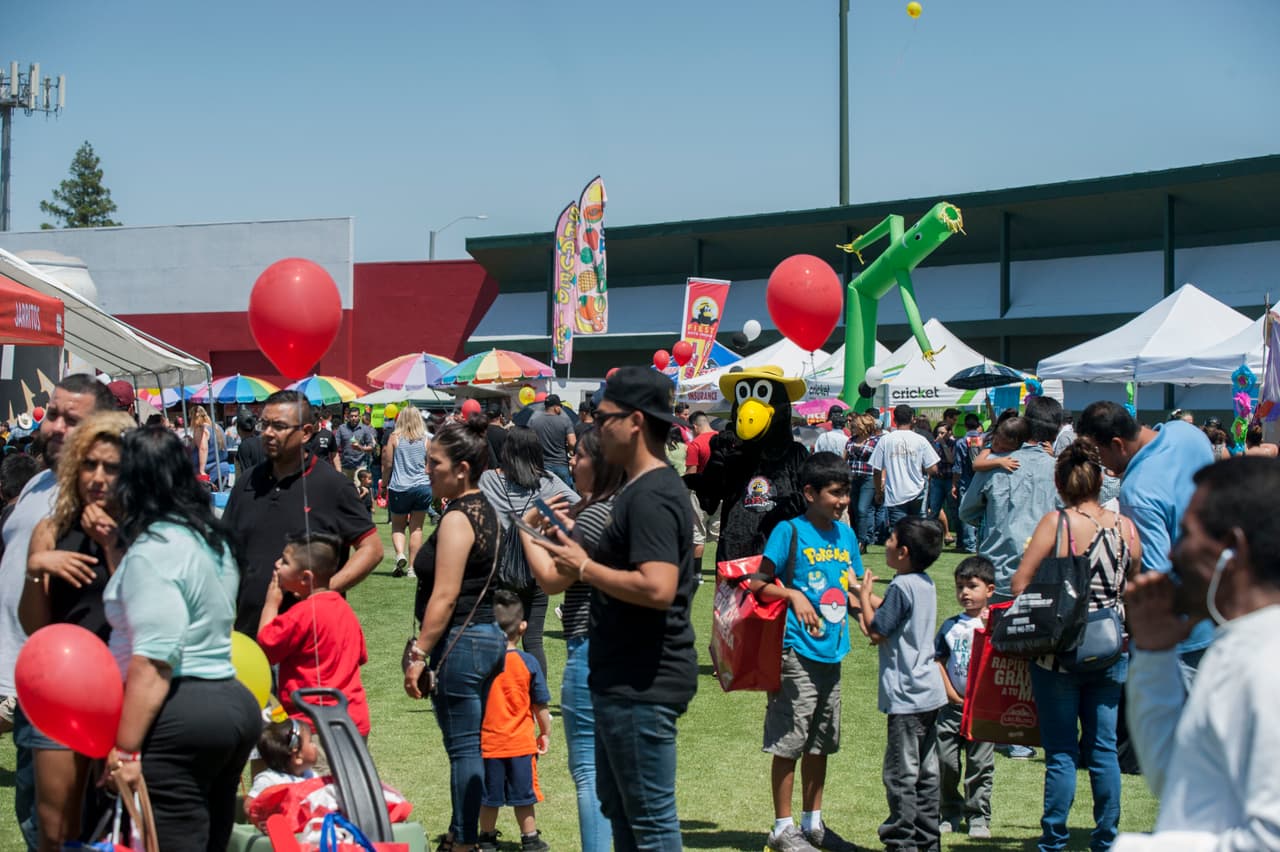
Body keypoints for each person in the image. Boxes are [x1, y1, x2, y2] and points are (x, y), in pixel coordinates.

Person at [527, 366, 697, 851]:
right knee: (622, 817)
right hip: (620, 676)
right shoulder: (637, 492)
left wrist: (584, 566)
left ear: (635, 422)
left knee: (650, 824)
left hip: (642, 681)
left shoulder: (652, 494)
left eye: (603, 418)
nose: (594, 429)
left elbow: (658, 587)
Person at [102, 426, 262, 851]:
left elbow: (156, 658)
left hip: (180, 711)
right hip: (229, 700)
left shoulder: (155, 550)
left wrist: (126, 750)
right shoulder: (209, 540)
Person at [1116, 457, 1280, 850]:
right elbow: (1178, 781)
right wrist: (1154, 655)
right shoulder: (1238, 645)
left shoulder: (1268, 662)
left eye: (1186, 535)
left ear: (1231, 550)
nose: (1173, 554)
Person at [0, 374, 115, 850]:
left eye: (72, 419)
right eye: (52, 414)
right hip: (23, 677)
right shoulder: (37, 483)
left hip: (74, 686)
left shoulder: (106, 496)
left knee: (68, 828)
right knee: (36, 819)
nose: (56, 427)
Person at [1010, 439, 1142, 852]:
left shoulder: (1057, 524)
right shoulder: (1125, 528)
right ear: (1101, 481)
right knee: (1103, 750)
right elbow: (1134, 586)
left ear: (1059, 482)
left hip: (1058, 652)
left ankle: (1055, 839)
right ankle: (1105, 837)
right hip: (1110, 648)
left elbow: (1019, 583)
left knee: (1062, 752)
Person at [17, 412, 133, 851]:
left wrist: (111, 546)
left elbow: (141, 613)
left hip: (125, 689)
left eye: (111, 467)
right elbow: (35, 627)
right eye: (89, 464)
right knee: (55, 830)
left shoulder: (142, 530)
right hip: (61, 691)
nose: (98, 477)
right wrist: (35, 569)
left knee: (120, 821)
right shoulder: (50, 529)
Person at [749, 452, 862, 852]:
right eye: (835, 493)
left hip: (833, 651)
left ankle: (813, 824)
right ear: (810, 493)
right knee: (790, 741)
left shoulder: (846, 536)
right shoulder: (789, 531)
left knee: (821, 742)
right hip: (795, 651)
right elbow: (757, 583)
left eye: (846, 492)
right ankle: (783, 828)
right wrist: (792, 595)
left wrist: (869, 611)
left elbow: (852, 587)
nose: (843, 501)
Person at [404, 415, 506, 852]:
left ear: (462, 470)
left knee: (464, 749)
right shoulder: (486, 510)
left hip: (462, 641)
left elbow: (445, 596)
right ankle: (459, 831)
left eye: (435, 463)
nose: (427, 470)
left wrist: (419, 654)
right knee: (472, 747)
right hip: (486, 636)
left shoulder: (459, 518)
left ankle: (464, 841)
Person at [519, 426, 623, 852]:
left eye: (579, 455)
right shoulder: (622, 508)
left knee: (589, 772)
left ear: (599, 464)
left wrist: (526, 529)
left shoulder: (594, 516)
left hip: (590, 649)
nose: (571, 462)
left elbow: (551, 580)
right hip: (623, 649)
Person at [1076, 400, 1214, 687]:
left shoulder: (1137, 491)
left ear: (1117, 444)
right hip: (1223, 607)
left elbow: (1156, 576)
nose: (1101, 465)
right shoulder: (1188, 434)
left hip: (1181, 635)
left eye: (1099, 454)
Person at [222, 390, 383, 635]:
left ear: (306, 432)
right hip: (251, 635)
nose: (268, 433)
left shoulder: (332, 485)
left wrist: (325, 591)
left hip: (311, 638)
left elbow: (372, 549)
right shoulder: (248, 481)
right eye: (264, 424)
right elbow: (224, 549)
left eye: (279, 426)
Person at [858, 517, 948, 852]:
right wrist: (864, 597)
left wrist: (863, 597)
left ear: (904, 552)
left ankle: (901, 843)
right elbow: (894, 616)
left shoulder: (901, 586)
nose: (887, 543)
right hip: (930, 693)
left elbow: (877, 631)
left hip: (907, 696)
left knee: (901, 775)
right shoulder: (924, 582)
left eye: (891, 539)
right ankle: (927, 842)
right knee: (927, 774)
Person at [479, 428, 579, 679]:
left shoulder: (489, 479)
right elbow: (579, 504)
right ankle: (538, 696)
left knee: (499, 638)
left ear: (506, 451)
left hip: (499, 570)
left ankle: (500, 694)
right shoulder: (548, 482)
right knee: (533, 640)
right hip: (537, 567)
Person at [257, 532, 370, 738]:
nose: (277, 564)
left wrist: (271, 603)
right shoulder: (345, 609)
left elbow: (266, 647)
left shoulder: (301, 614)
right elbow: (360, 656)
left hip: (315, 724)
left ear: (305, 578)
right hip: (352, 719)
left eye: (285, 561)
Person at [477, 590, 553, 852]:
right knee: (524, 796)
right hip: (520, 745)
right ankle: (530, 838)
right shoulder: (528, 662)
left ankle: (486, 838)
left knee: (488, 797)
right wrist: (545, 732)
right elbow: (540, 705)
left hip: (488, 744)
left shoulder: (482, 664)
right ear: (523, 626)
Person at [959, 414, 1058, 601]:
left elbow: (966, 511)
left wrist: (991, 521)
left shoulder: (992, 465)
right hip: (1042, 569)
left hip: (998, 566)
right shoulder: (1056, 467)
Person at [934, 556, 997, 839]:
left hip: (983, 709)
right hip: (951, 708)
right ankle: (950, 811)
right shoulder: (951, 626)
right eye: (960, 587)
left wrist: (992, 626)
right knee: (945, 762)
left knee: (980, 765)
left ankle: (978, 817)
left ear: (990, 590)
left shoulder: (996, 625)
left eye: (972, 586)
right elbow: (937, 661)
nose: (965, 593)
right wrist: (950, 693)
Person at [382, 406, 434, 576]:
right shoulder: (427, 439)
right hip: (422, 487)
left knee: (398, 526)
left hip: (399, 487)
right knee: (416, 528)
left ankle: (400, 554)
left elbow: (388, 464)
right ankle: (412, 568)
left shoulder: (394, 438)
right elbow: (430, 466)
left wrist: (383, 485)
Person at [870, 404, 940, 529]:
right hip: (917, 491)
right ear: (912, 419)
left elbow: (876, 470)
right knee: (916, 529)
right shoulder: (920, 440)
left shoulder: (885, 440)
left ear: (894, 419)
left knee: (899, 531)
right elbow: (933, 469)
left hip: (895, 493)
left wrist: (878, 492)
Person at [246, 710, 319, 801]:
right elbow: (250, 806)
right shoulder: (269, 781)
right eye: (310, 741)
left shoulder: (311, 775)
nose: (315, 745)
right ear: (297, 756)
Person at [844, 413, 882, 554]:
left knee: (862, 509)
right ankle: (856, 540)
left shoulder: (875, 441)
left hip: (868, 477)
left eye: (854, 426)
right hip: (853, 477)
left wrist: (881, 482)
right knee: (853, 510)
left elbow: (880, 463)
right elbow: (844, 459)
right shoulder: (851, 440)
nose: (852, 428)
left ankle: (862, 540)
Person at [527, 394, 576, 486]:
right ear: (556, 408)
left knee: (544, 492)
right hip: (561, 464)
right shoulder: (565, 420)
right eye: (560, 407)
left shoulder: (534, 420)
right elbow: (572, 442)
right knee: (565, 492)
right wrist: (571, 451)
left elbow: (528, 440)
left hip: (541, 465)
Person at [926, 422, 958, 546]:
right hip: (937, 480)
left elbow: (951, 460)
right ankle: (929, 539)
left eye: (942, 433)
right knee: (934, 511)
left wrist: (943, 444)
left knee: (954, 510)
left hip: (949, 479)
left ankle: (961, 540)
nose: (940, 435)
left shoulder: (953, 444)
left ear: (949, 433)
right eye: (938, 433)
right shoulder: (934, 445)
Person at [190, 404, 232, 488]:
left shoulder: (201, 429)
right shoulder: (217, 427)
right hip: (222, 468)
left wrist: (201, 471)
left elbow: (203, 448)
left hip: (209, 472)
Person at [336, 407, 377, 482]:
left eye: (355, 416)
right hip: (345, 466)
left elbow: (372, 447)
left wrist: (361, 448)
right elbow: (335, 445)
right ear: (348, 416)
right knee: (346, 488)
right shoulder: (342, 428)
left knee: (359, 488)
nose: (353, 418)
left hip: (360, 466)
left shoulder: (365, 429)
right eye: (351, 416)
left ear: (359, 417)